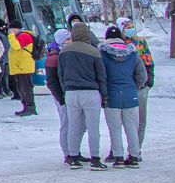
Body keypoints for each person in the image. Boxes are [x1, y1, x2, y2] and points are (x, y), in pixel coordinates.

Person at [58, 21, 108, 170]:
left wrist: (65, 89)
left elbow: (60, 74)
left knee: (73, 126)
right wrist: (104, 95)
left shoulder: (64, 51)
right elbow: (101, 75)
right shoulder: (93, 51)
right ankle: (95, 158)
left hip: (71, 92)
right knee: (93, 127)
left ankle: (72, 157)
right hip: (90, 92)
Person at [99, 26, 146, 167]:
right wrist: (133, 87)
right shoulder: (132, 53)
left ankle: (118, 157)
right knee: (131, 127)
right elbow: (142, 76)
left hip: (111, 95)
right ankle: (134, 156)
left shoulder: (102, 54)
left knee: (115, 128)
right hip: (130, 94)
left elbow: (100, 75)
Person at [116, 17, 153, 156]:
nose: (130, 29)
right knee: (122, 120)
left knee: (140, 120)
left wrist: (149, 82)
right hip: (124, 85)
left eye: (131, 26)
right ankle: (118, 149)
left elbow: (148, 62)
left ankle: (137, 149)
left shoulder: (140, 42)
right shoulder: (119, 44)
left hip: (140, 86)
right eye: (127, 26)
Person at [45, 29, 70, 161]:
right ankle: (67, 152)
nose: (70, 42)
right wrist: (61, 99)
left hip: (67, 95)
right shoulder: (53, 58)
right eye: (67, 40)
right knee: (66, 123)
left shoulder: (63, 55)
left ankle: (72, 150)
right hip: (61, 96)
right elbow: (52, 82)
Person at [6, 25, 38, 116]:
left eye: (11, 29)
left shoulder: (24, 36)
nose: (9, 31)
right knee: (22, 88)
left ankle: (30, 108)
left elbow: (16, 46)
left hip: (24, 67)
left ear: (16, 29)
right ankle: (26, 107)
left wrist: (11, 36)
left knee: (25, 88)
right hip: (21, 67)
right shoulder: (21, 36)